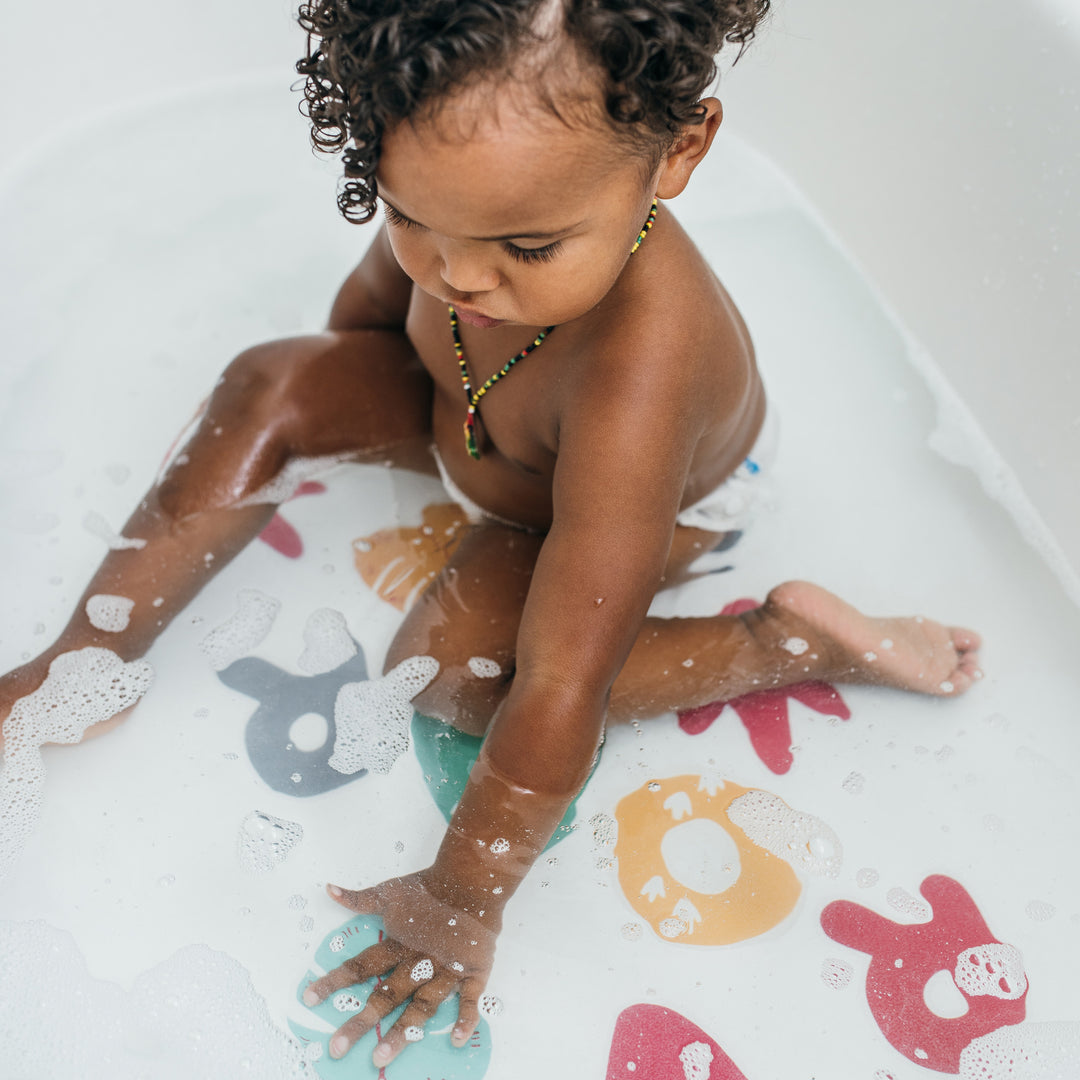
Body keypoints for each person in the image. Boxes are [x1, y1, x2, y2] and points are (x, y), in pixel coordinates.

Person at [0, 0, 982, 1067]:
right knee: (269, 385)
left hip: (616, 503)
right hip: (476, 420)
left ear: (677, 154)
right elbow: (371, 323)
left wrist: (463, 898)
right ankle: (76, 669)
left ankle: (784, 642)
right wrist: (329, 392)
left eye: (527, 244)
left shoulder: (641, 368)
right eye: (411, 217)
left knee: (454, 670)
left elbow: (567, 676)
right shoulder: (465, 221)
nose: (459, 276)